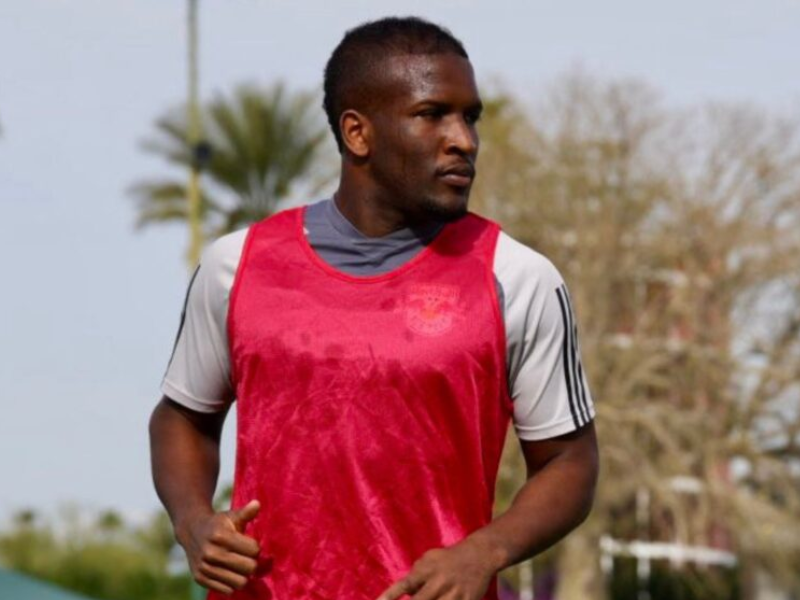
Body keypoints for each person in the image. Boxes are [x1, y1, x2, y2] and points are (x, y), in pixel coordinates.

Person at [149, 16, 599, 600]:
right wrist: (192, 522)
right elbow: (182, 416)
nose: (463, 138)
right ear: (357, 134)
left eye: (470, 116)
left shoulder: (517, 278)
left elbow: (570, 461)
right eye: (432, 114)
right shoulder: (236, 266)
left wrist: (484, 552)